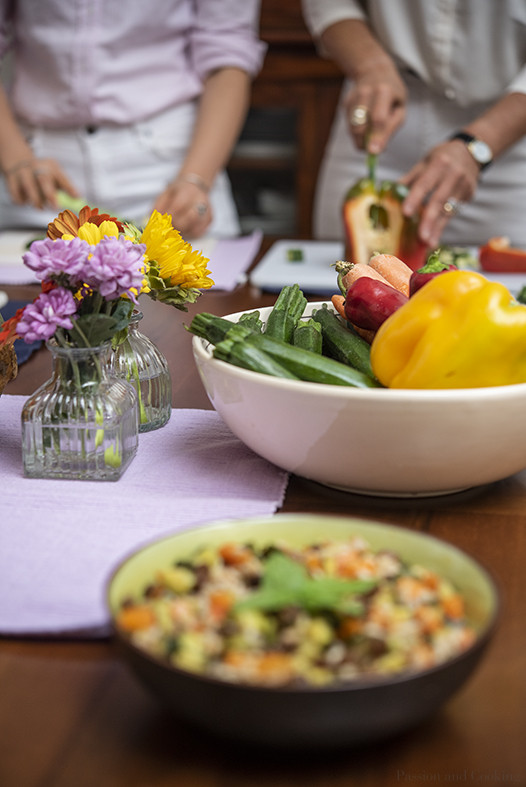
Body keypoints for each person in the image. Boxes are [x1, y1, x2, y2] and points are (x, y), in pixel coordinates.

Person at [0, 0, 266, 238]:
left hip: (173, 167)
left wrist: (196, 179)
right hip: (37, 175)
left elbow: (228, 48)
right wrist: (15, 157)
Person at [301, 0, 526, 251]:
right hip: (382, 106)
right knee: (340, 273)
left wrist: (478, 146)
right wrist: (370, 66)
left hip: (510, 132)